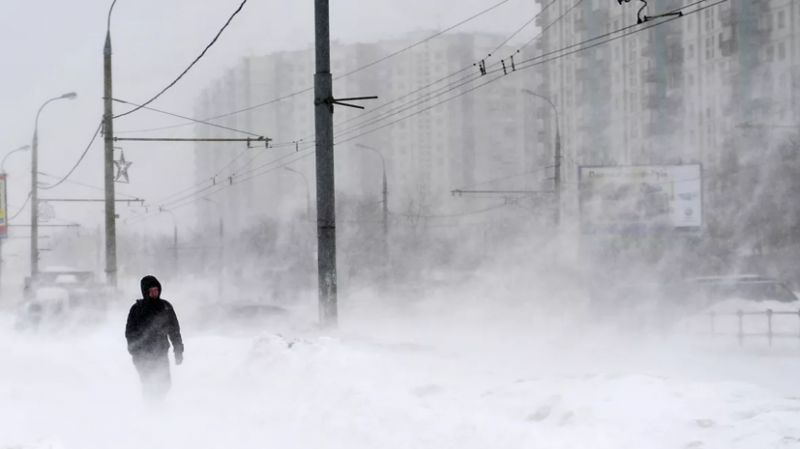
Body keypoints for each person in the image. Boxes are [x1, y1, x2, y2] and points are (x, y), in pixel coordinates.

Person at [125, 275, 184, 402]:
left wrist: (178, 350)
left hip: (161, 353)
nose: (154, 293)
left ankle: (158, 404)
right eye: (151, 291)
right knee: (149, 384)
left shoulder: (165, 307)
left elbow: (174, 330)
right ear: (145, 292)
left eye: (156, 290)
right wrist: (134, 350)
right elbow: (130, 332)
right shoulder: (137, 310)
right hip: (143, 355)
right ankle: (151, 411)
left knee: (165, 383)